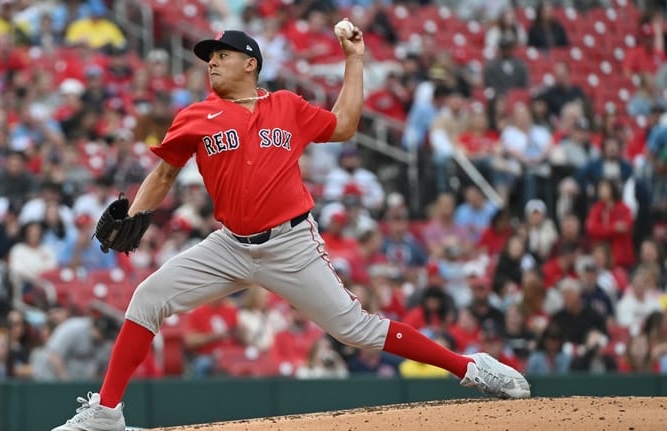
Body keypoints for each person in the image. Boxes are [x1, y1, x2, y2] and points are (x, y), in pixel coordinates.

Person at [50, 27, 530, 431]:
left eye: (222, 55)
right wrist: (133, 216)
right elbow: (164, 175)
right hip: (229, 246)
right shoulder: (196, 115)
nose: (212, 63)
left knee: (356, 329)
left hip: (291, 243)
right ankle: (105, 414)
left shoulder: (287, 105)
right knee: (147, 298)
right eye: (209, 58)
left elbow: (344, 124)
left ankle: (471, 368)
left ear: (250, 64)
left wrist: (354, 60)